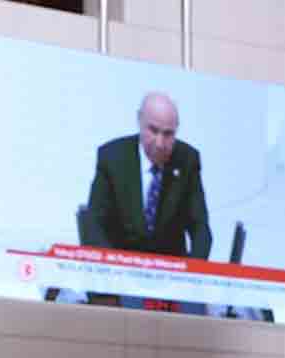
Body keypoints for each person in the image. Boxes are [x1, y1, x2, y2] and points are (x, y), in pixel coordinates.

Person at [83, 92, 213, 260]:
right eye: (153, 130)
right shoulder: (113, 157)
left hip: (170, 268)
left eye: (168, 134)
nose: (160, 143)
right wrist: (110, 266)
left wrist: (194, 269)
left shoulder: (187, 161)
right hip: (120, 264)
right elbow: (94, 223)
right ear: (139, 120)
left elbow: (200, 227)